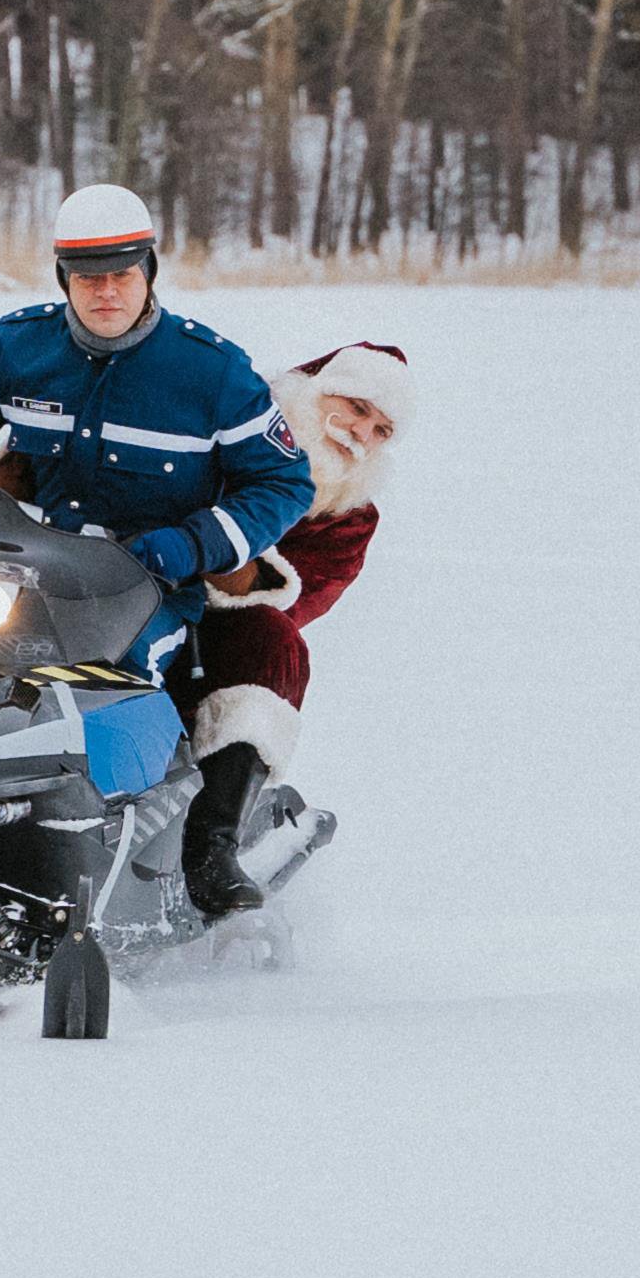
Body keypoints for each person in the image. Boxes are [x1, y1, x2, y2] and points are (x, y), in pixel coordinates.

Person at [0, 184, 315, 913]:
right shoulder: (25, 345)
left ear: (149, 271)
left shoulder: (212, 372)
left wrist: (194, 542)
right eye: (88, 278)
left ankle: (136, 852)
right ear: (63, 279)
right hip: (33, 568)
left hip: (146, 582)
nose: (106, 292)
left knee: (100, 687)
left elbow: (283, 483)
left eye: (122, 274)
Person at [164, 340, 411, 916]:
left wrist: (238, 573)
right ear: (313, 389)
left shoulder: (349, 518)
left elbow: (308, 592)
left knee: (275, 642)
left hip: (207, 634)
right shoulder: (223, 424)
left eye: (382, 430)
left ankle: (211, 846)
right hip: (110, 578)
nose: (360, 433)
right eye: (354, 406)